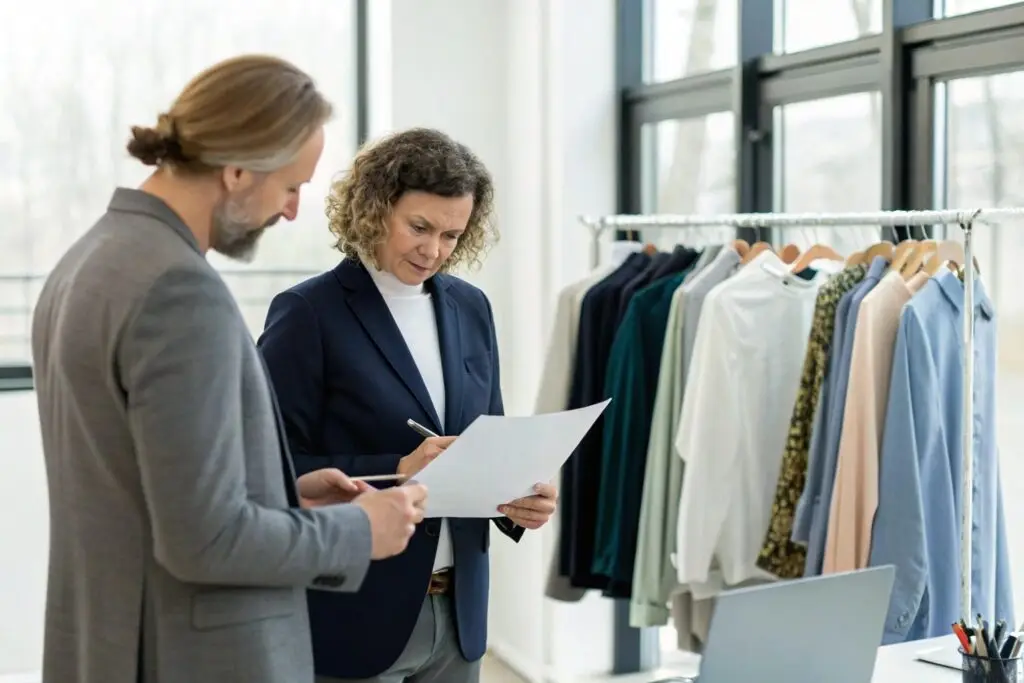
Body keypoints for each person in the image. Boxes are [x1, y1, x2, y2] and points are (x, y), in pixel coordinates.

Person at [31, 55, 428, 683]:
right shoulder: (180, 291)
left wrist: (284, 496)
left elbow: (148, 490)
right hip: (189, 655)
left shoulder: (89, 261)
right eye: (291, 186)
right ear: (238, 170)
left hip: (107, 641)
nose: (293, 211)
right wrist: (357, 531)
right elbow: (204, 541)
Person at [257, 127, 559, 683]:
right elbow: (265, 468)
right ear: (374, 209)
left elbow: (485, 440)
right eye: (419, 227)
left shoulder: (471, 308)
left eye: (452, 234)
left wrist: (519, 500)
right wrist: (397, 469)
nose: (434, 250)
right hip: (355, 612)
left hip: (459, 612)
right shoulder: (308, 313)